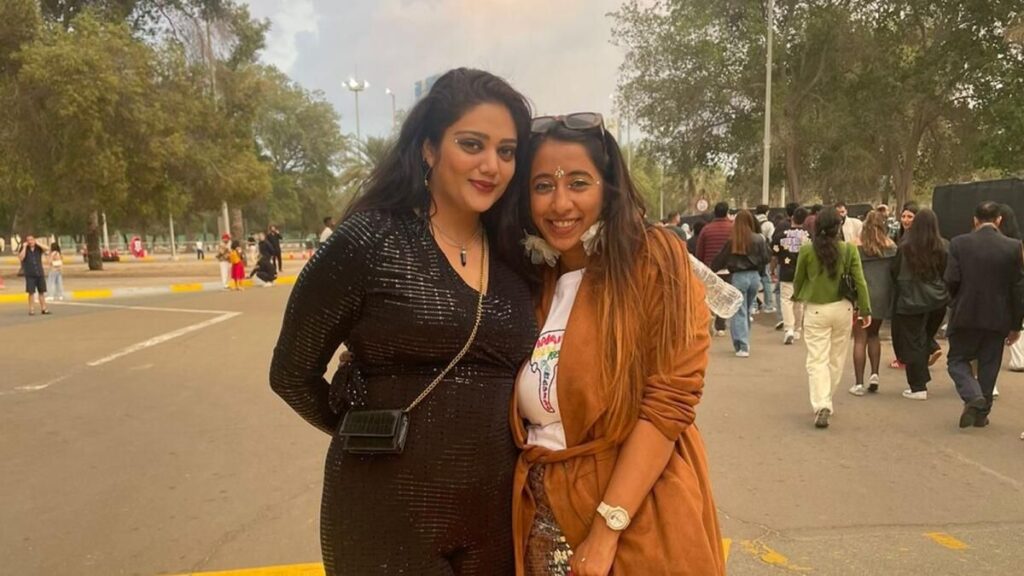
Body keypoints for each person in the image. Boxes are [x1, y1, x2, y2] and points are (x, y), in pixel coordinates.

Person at [270, 68, 537, 576]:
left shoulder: (515, 256)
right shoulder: (370, 241)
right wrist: (359, 429)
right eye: (472, 144)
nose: (491, 165)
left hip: (496, 520)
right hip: (383, 514)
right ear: (429, 149)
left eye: (506, 151)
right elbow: (290, 374)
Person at [513, 112, 723, 576]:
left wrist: (607, 529)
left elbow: (669, 402)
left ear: (608, 189)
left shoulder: (653, 260)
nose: (560, 202)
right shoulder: (534, 279)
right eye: (543, 185)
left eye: (578, 183)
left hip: (635, 520)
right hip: (543, 518)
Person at [945, 201, 1024, 428]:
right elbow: (1018, 288)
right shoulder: (1013, 247)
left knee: (957, 359)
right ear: (999, 220)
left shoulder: (959, 243)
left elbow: (951, 279)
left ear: (975, 220)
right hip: (998, 316)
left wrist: (957, 301)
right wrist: (1016, 324)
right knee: (990, 364)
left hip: (965, 313)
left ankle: (972, 396)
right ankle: (981, 413)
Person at [793, 206, 871, 428]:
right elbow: (860, 281)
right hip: (843, 308)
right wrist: (865, 309)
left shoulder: (807, 251)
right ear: (839, 227)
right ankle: (826, 398)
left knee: (817, 359)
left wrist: (798, 297)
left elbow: (799, 280)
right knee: (836, 359)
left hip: (816, 309)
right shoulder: (849, 250)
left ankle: (821, 403)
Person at [889, 209, 949, 401]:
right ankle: (920, 380)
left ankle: (918, 386)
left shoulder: (905, 246)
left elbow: (894, 272)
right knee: (925, 338)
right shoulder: (943, 246)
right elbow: (947, 273)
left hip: (911, 300)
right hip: (937, 301)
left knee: (913, 342)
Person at [849, 211, 897, 395]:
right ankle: (875, 374)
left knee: (860, 339)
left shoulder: (855, 245)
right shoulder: (891, 246)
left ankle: (859, 384)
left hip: (861, 297)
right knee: (874, 335)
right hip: (882, 295)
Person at [712, 210, 771, 357]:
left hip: (738, 277)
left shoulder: (733, 240)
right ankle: (744, 340)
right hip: (754, 277)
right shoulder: (759, 239)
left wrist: (712, 269)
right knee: (747, 309)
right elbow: (766, 258)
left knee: (739, 311)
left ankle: (742, 346)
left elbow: (720, 259)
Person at [772, 207, 811, 344]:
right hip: (804, 273)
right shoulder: (810, 236)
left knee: (786, 301)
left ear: (792, 218)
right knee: (799, 302)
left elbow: (774, 254)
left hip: (786, 271)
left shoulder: (780, 236)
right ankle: (798, 329)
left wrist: (772, 269)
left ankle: (788, 329)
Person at [696, 201, 733, 335]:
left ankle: (709, 319)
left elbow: (700, 251)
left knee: (711, 297)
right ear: (727, 212)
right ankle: (721, 326)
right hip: (729, 268)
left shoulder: (706, 229)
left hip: (710, 269)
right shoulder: (733, 228)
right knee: (724, 297)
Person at [18, 235, 51, 316]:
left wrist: (38, 243)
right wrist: (24, 247)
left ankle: (44, 308)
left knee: (41, 292)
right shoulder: (24, 249)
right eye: (28, 240)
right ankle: (31, 309)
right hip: (30, 274)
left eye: (32, 240)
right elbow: (21, 258)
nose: (30, 241)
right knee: (31, 292)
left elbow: (47, 249)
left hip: (39, 273)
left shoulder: (38, 248)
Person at [754, 204, 776, 313]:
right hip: (763, 255)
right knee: (766, 280)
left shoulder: (751, 222)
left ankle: (753, 306)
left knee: (754, 279)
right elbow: (771, 238)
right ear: (767, 212)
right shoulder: (768, 224)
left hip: (751, 255)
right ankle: (768, 306)